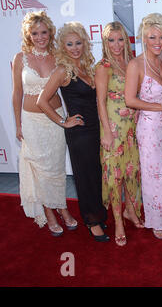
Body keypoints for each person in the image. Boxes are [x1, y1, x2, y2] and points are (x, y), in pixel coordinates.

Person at [37, 21, 109, 242]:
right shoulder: (62, 70)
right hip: (79, 132)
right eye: (70, 44)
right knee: (85, 177)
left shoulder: (87, 67)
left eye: (78, 43)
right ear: (63, 46)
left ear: (85, 44)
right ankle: (92, 221)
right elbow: (42, 101)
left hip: (95, 128)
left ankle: (98, 213)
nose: (75, 48)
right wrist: (63, 121)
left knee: (96, 175)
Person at [12, 11, 77, 236]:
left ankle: (63, 207)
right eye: (34, 33)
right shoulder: (21, 58)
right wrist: (18, 125)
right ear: (28, 35)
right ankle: (50, 211)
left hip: (55, 119)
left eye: (43, 32)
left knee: (56, 169)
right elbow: (17, 93)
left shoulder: (58, 56)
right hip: (31, 122)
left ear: (50, 32)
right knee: (41, 170)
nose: (40, 37)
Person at [125, 13, 162, 240]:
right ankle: (157, 220)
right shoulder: (136, 64)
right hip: (149, 129)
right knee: (153, 174)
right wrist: (159, 105)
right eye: (152, 37)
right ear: (143, 39)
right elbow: (130, 100)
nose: (158, 42)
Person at [95, 22, 143, 247]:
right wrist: (106, 133)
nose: (116, 44)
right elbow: (101, 102)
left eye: (120, 39)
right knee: (114, 178)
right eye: (111, 40)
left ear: (126, 40)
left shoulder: (132, 63)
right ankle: (118, 223)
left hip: (132, 130)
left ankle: (131, 212)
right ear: (105, 43)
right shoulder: (103, 66)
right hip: (113, 130)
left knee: (131, 173)